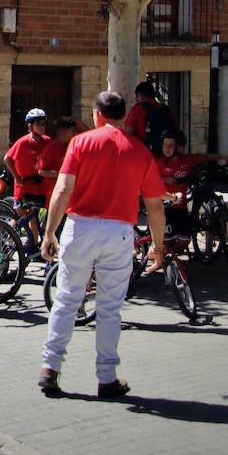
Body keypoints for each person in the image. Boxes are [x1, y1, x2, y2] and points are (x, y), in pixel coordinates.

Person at [39, 91, 166, 399]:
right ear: (123, 115)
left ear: (97, 114)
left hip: (80, 226)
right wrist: (158, 247)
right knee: (110, 307)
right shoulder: (139, 150)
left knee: (67, 299)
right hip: (119, 230)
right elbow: (155, 206)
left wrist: (49, 232)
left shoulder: (81, 143)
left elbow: (62, 189)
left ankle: (50, 367)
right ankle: (106, 377)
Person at [155, 130, 228, 244]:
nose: (166, 148)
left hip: (181, 208)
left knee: (184, 241)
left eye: (170, 145)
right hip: (165, 209)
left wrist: (223, 157)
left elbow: (205, 157)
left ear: (178, 147)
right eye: (164, 145)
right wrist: (165, 179)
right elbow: (150, 181)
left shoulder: (187, 160)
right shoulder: (159, 163)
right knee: (166, 243)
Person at [5, 109, 52, 251]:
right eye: (38, 124)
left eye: (44, 124)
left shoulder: (48, 141)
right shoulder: (23, 142)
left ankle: (34, 244)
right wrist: (17, 178)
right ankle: (7, 242)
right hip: (24, 185)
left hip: (39, 185)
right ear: (30, 126)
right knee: (19, 215)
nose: (42, 127)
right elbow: (7, 159)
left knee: (34, 215)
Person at [125, 81, 177, 152]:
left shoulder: (137, 109)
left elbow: (129, 134)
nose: (136, 99)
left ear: (140, 95)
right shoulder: (166, 110)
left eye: (136, 97)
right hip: (165, 154)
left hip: (144, 154)